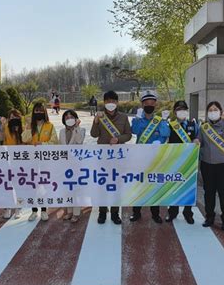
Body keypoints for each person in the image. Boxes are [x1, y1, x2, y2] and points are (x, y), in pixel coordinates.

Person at [90, 90, 132, 225]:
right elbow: (93, 134)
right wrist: (96, 121)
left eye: (113, 101)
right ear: (104, 102)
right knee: (102, 184)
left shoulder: (124, 117)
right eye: (108, 101)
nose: (111, 104)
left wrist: (118, 139)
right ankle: (102, 211)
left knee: (117, 185)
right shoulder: (100, 116)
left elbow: (129, 135)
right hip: (103, 157)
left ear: (117, 102)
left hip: (119, 156)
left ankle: (115, 213)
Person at [130, 90, 170, 224]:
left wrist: (164, 122)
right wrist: (136, 117)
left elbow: (165, 134)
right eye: (146, 103)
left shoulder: (159, 120)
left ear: (155, 105)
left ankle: (155, 213)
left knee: (154, 185)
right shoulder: (139, 119)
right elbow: (134, 131)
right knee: (139, 186)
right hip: (140, 158)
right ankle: (136, 212)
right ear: (142, 104)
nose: (149, 105)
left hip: (155, 158)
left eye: (152, 103)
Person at [199, 101, 224, 231]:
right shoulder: (204, 127)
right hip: (207, 165)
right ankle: (209, 217)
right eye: (210, 110)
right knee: (209, 192)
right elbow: (199, 142)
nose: (213, 112)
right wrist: (196, 141)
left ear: (220, 112)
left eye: (215, 110)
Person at [22, 102, 58, 221]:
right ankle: (33, 211)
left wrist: (43, 144)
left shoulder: (50, 126)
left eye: (41, 111)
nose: (39, 113)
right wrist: (27, 127)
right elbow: (24, 139)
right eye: (36, 111)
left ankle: (43, 210)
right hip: (31, 161)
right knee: (32, 186)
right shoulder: (30, 126)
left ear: (45, 112)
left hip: (45, 161)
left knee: (44, 185)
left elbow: (55, 142)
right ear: (33, 112)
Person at [165, 100, 199, 224]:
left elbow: (197, 136)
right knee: (173, 186)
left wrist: (196, 140)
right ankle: (172, 212)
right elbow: (165, 139)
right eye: (179, 109)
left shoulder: (193, 124)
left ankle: (188, 213)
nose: (181, 111)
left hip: (189, 162)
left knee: (188, 186)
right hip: (174, 161)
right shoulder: (170, 125)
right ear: (174, 111)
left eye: (184, 109)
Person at [59, 109, 85, 223]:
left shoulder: (81, 130)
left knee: (76, 188)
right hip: (65, 164)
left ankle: (76, 212)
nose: (69, 119)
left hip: (76, 164)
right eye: (66, 117)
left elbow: (79, 141)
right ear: (64, 120)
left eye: (71, 117)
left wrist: (77, 128)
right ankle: (69, 211)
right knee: (67, 188)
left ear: (76, 119)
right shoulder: (61, 132)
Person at [1, 109, 25, 219]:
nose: (13, 119)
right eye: (11, 117)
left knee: (19, 184)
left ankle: (18, 208)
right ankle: (8, 207)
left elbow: (27, 141)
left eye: (16, 117)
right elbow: (1, 139)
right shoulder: (6, 127)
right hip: (8, 159)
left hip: (21, 160)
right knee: (8, 184)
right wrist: (2, 126)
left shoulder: (23, 127)